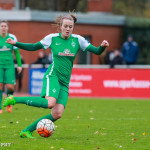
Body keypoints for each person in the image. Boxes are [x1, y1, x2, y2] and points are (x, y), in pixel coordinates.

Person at [4, 12, 109, 138]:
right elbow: (33, 47)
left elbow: (97, 51)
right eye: (66, 26)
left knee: (57, 114)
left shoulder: (78, 40)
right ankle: (14, 99)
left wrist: (102, 47)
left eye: (70, 26)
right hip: (52, 76)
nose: (68, 29)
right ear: (60, 26)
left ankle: (26, 131)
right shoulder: (52, 38)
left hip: (65, 81)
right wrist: (16, 43)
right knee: (50, 103)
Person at [0, 20, 22, 114]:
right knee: (0, 86)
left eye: (5, 26)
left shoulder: (12, 37)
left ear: (8, 27)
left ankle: (8, 102)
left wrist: (19, 65)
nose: (3, 28)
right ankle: (0, 108)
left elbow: (16, 52)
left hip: (9, 65)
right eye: (2, 26)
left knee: (10, 87)